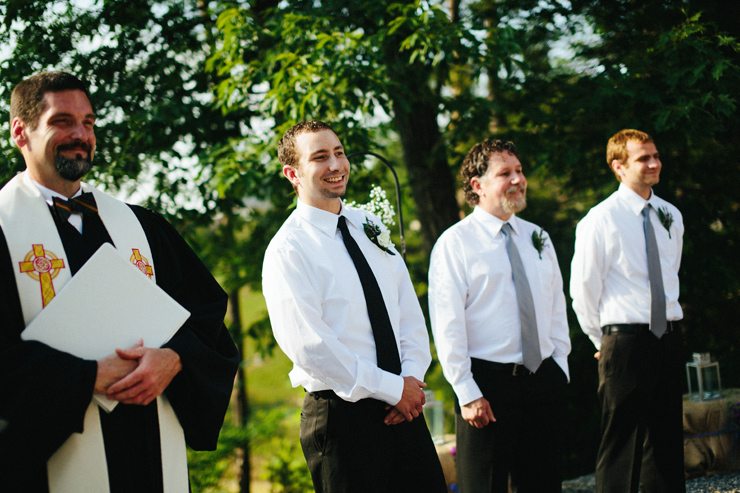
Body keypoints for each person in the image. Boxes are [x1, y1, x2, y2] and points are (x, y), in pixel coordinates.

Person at [0, 71, 240, 492]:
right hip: (48, 463)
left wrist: (176, 357)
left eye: (88, 123)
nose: (81, 134)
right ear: (20, 132)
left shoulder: (141, 228)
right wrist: (85, 377)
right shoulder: (5, 230)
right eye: (62, 122)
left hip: (150, 452)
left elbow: (205, 316)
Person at [262, 120, 447, 493]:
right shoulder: (288, 249)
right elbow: (312, 347)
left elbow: (406, 309)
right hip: (343, 418)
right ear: (292, 174)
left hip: (404, 407)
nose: (336, 165)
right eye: (320, 157)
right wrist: (392, 389)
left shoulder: (368, 224)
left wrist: (409, 379)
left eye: (339, 153)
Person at [429, 139, 571, 492]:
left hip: (542, 379)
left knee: (544, 483)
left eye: (519, 171)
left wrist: (560, 367)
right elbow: (448, 324)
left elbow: (556, 307)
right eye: (505, 173)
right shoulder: (455, 243)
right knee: (484, 486)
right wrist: (466, 391)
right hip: (487, 386)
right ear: (477, 185)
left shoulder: (538, 237)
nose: (518, 179)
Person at [570, 129, 685, 493]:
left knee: (666, 442)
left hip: (667, 336)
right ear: (618, 167)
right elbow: (583, 290)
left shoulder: (671, 215)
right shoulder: (600, 219)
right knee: (621, 445)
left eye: (655, 156)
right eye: (643, 158)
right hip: (624, 342)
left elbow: (671, 271)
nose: (654, 163)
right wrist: (599, 340)